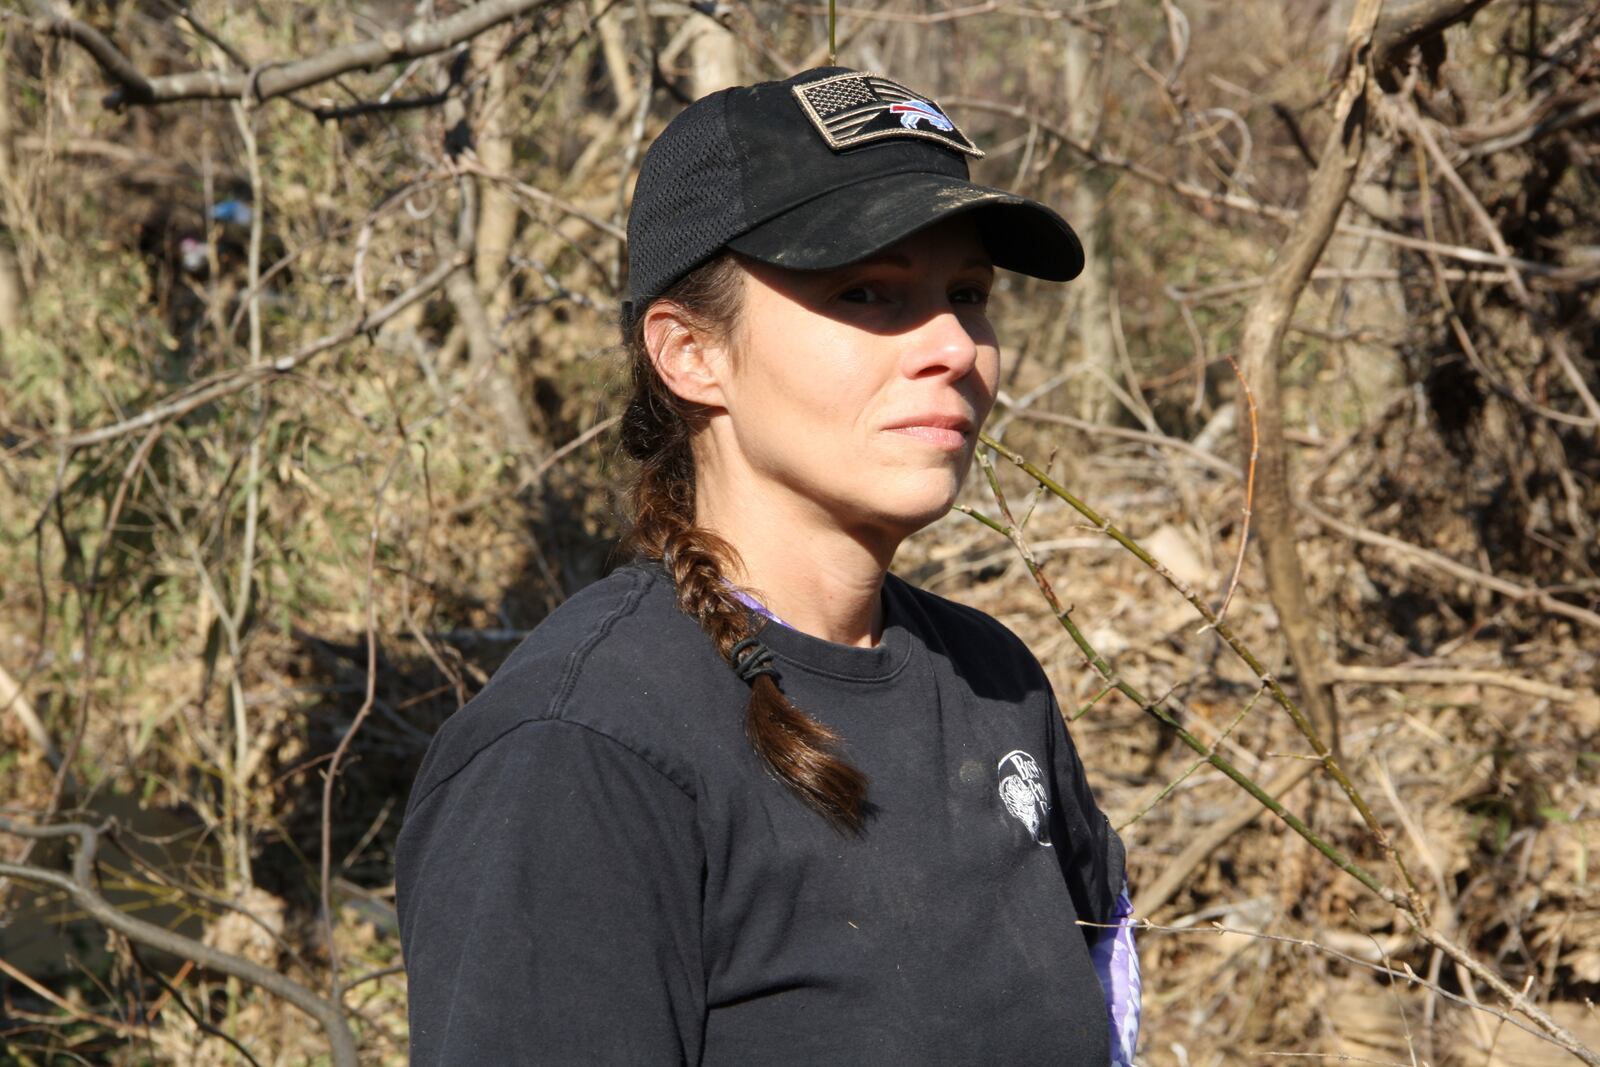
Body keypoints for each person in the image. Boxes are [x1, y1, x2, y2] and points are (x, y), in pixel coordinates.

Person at [395, 66, 1140, 1065]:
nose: (953, 347)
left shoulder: (992, 679)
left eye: (967, 294)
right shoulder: (579, 751)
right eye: (868, 291)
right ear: (691, 352)